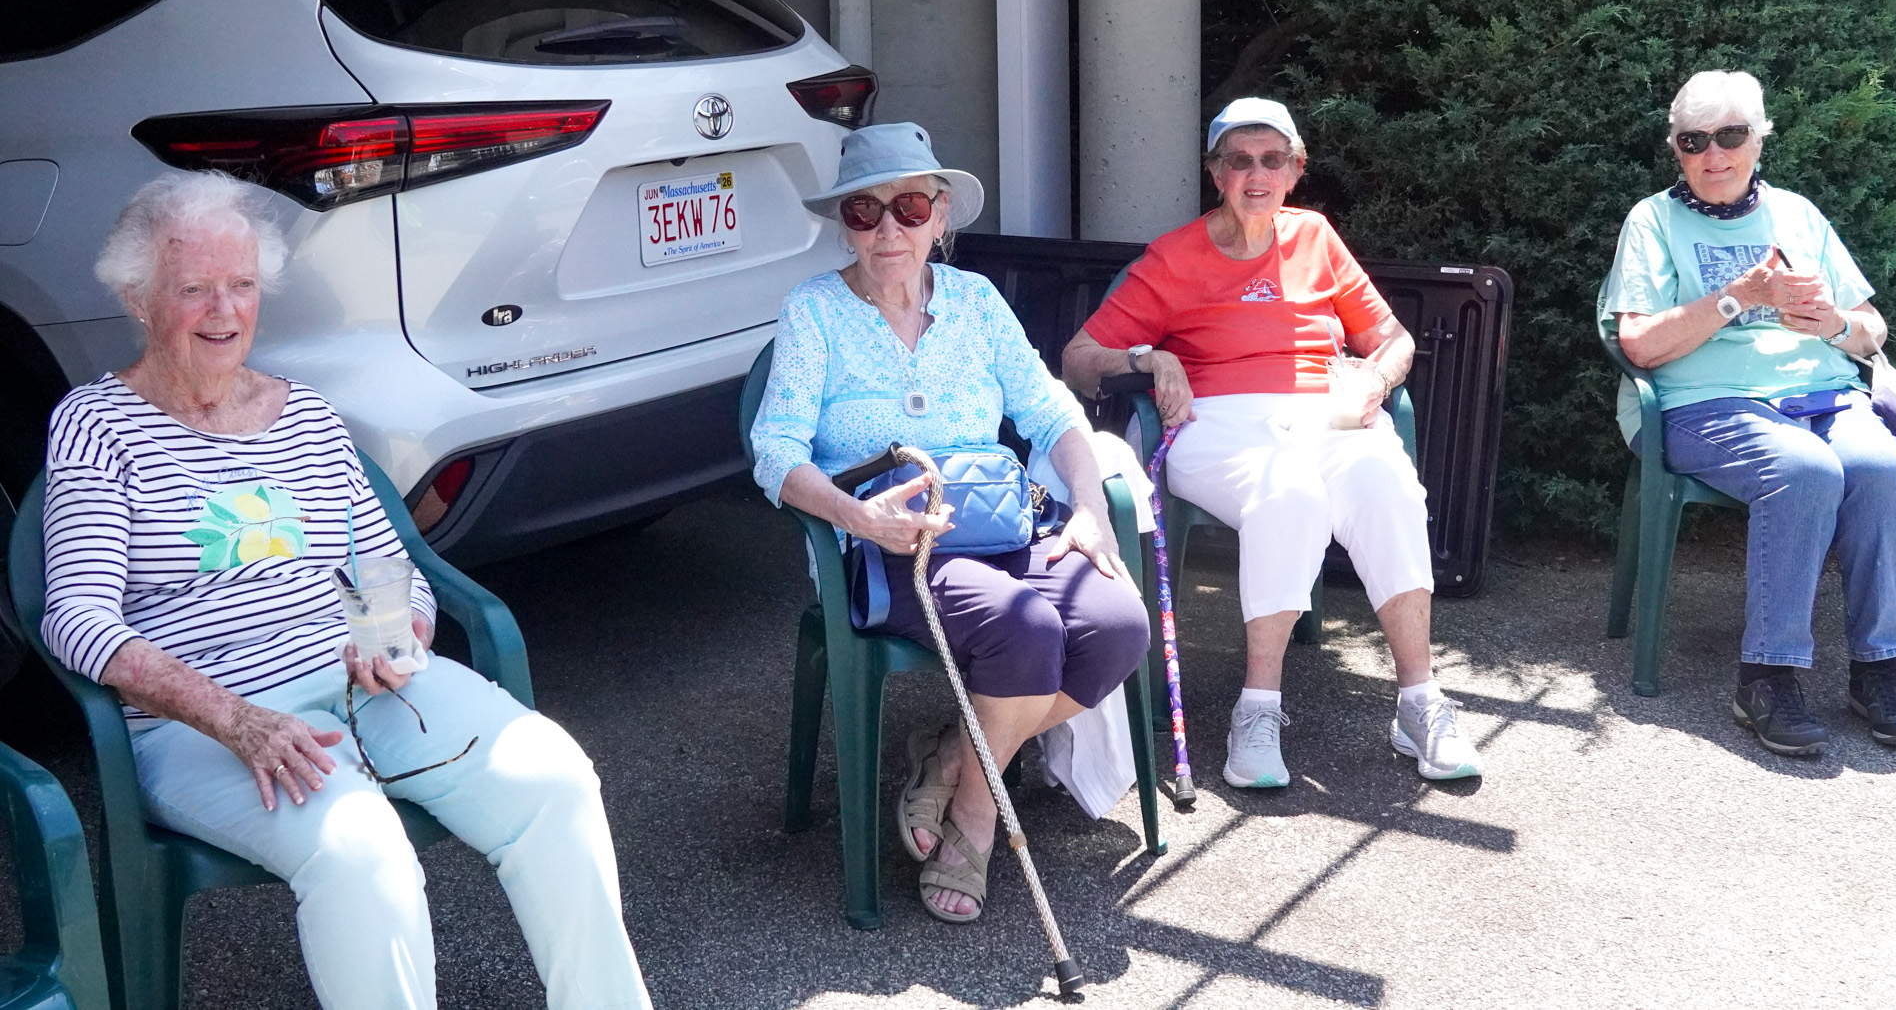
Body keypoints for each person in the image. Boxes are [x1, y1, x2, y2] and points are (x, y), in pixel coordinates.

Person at [40, 171, 652, 1010]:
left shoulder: (309, 419)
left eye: (243, 285)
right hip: (211, 721)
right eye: (195, 289)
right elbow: (74, 618)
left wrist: (398, 636)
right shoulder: (96, 424)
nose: (226, 311)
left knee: (555, 779)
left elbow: (388, 567)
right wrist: (235, 719)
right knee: (362, 846)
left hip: (366, 687)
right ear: (140, 300)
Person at [750, 122, 1149, 924]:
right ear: (844, 224)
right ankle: (976, 823)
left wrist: (1088, 506)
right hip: (894, 543)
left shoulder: (977, 302)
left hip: (1004, 521)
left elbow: (1053, 412)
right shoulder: (813, 312)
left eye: (907, 207)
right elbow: (773, 448)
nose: (888, 229)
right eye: (865, 212)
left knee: (1116, 623)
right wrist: (852, 513)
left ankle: (952, 761)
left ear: (940, 218)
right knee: (1026, 629)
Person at [1063, 97, 1482, 788]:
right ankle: (1257, 707)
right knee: (1285, 493)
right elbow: (1079, 357)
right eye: (1239, 160)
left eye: (1272, 159)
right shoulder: (1173, 257)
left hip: (1326, 414)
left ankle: (1419, 701)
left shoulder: (1316, 236)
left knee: (1388, 486)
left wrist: (1377, 376)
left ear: (1295, 169)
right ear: (1215, 171)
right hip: (1216, 422)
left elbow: (1393, 339)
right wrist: (1147, 359)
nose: (1256, 174)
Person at [1600, 69, 1896, 756]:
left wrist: (1831, 323)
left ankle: (1879, 666)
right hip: (1701, 404)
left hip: (1822, 392)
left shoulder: (1799, 215)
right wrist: (1736, 298)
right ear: (1676, 148)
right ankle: (1768, 675)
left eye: (1731, 136)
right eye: (1693, 141)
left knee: (1878, 468)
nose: (1713, 155)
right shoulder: (1653, 221)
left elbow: (1873, 327)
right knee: (1803, 470)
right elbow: (1638, 343)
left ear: (1759, 139)